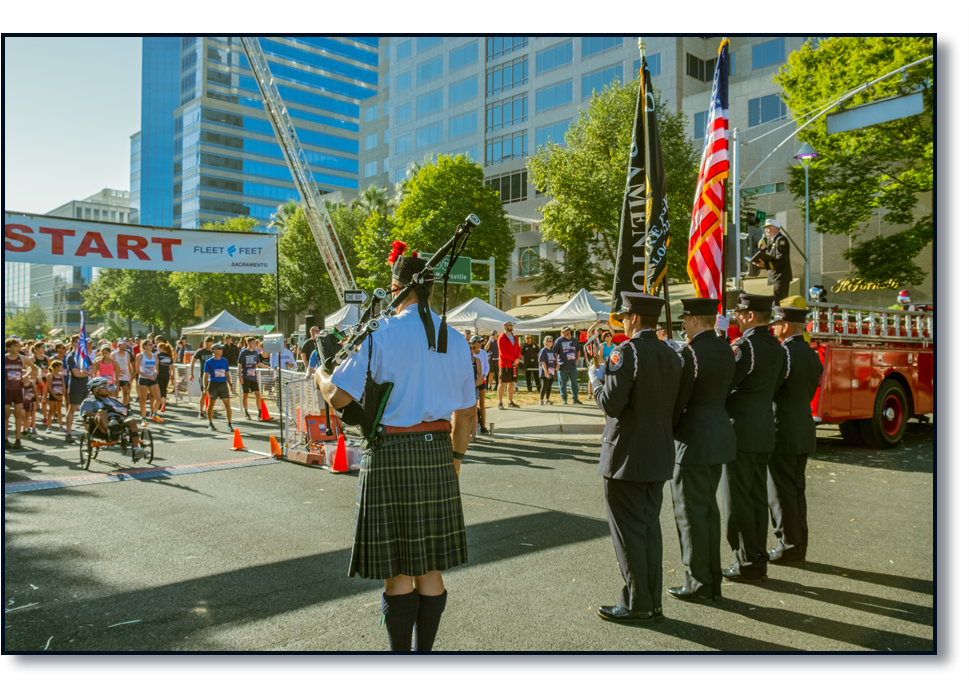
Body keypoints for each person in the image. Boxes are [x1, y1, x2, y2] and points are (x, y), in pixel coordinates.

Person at [315, 250, 477, 652]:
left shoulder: (380, 332)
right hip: (438, 456)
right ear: (431, 289)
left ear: (395, 288)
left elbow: (338, 396)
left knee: (399, 570)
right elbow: (467, 414)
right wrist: (455, 460)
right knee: (430, 566)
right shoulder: (457, 340)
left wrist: (319, 373)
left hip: (390, 451)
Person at [590, 293, 681, 625]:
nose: (624, 322)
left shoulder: (625, 352)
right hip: (658, 451)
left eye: (625, 317)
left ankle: (637, 603)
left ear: (636, 318)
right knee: (648, 529)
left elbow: (611, 404)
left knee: (628, 533)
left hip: (626, 455)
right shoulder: (671, 353)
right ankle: (651, 601)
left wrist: (596, 378)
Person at [666, 298, 737, 603]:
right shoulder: (726, 348)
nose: (683, 325)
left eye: (685, 319)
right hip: (718, 435)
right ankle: (711, 578)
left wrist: (667, 429)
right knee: (708, 511)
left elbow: (677, 399)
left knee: (690, 513)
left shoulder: (690, 353)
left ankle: (698, 581)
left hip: (693, 439)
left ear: (694, 319)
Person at [721, 292, 787, 583]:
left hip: (741, 430)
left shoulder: (744, 346)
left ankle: (746, 560)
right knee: (758, 496)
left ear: (749, 316)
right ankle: (757, 557)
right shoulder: (777, 346)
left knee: (738, 499)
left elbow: (725, 383)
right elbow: (778, 383)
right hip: (764, 428)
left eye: (739, 312)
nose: (736, 317)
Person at [767, 306, 823, 565]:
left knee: (781, 491)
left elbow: (773, 387)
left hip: (783, 428)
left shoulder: (784, 353)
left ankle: (788, 545)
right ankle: (799, 544)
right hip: (803, 426)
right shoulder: (811, 353)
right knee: (797, 489)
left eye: (776, 323)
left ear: (786, 326)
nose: (773, 328)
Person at [79, 376, 145, 461]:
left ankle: (135, 449)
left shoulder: (114, 400)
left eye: (107, 386)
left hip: (118, 422)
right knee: (101, 412)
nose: (107, 388)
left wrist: (125, 411)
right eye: (103, 386)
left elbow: (124, 411)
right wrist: (104, 414)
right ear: (95, 390)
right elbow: (87, 413)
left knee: (132, 420)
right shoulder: (89, 401)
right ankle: (111, 432)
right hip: (100, 427)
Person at [5, 338, 36, 451]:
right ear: (8, 348)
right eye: (15, 346)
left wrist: (25, 376)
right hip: (6, 390)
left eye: (19, 346)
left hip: (18, 390)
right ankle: (5, 439)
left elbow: (34, 368)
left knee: (18, 415)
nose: (18, 348)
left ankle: (18, 439)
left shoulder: (22, 358)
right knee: (6, 416)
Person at [752, 219, 792, 306]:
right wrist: (764, 249)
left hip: (780, 277)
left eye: (768, 227)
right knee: (777, 304)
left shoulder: (781, 240)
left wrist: (765, 265)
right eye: (765, 228)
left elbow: (781, 259)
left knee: (779, 305)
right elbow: (770, 256)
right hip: (776, 278)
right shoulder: (774, 241)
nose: (766, 230)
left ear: (776, 229)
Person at [64, 338, 92, 444]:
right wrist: (86, 372)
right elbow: (76, 374)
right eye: (77, 342)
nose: (80, 344)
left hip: (85, 386)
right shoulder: (71, 356)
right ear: (73, 343)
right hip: (75, 387)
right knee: (72, 409)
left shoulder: (84, 355)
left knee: (86, 410)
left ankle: (88, 434)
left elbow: (93, 369)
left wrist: (84, 372)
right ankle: (68, 433)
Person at [202, 343, 234, 432]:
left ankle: (229, 424)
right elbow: (205, 375)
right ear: (214, 351)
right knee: (211, 404)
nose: (221, 350)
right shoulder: (208, 362)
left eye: (221, 349)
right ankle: (210, 423)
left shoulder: (225, 361)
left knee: (227, 403)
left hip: (223, 384)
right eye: (219, 349)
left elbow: (227, 374)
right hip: (213, 384)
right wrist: (205, 386)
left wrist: (230, 384)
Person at [239, 337, 270, 420]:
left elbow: (258, 363)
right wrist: (240, 376)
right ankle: (246, 412)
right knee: (245, 394)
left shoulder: (255, 352)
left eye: (255, 343)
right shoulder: (243, 352)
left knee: (257, 394)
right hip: (245, 377)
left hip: (253, 377)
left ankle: (259, 413)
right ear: (248, 343)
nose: (254, 344)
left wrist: (267, 367)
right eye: (252, 343)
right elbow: (240, 364)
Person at [135, 339, 163, 426]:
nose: (152, 346)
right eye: (150, 345)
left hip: (153, 379)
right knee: (143, 400)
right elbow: (137, 371)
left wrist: (155, 374)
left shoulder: (155, 356)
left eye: (152, 345)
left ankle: (154, 414)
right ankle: (143, 419)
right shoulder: (140, 356)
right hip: (143, 379)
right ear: (144, 346)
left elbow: (156, 369)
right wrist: (148, 376)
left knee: (158, 398)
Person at [553, 326, 582, 405]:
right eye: (566, 331)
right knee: (563, 383)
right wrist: (556, 363)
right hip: (562, 366)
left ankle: (575, 399)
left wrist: (576, 361)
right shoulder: (559, 341)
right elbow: (555, 353)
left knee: (574, 383)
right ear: (562, 332)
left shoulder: (574, 340)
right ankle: (564, 399)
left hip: (572, 366)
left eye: (569, 330)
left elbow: (578, 351)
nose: (568, 331)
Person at [496, 321, 522, 410]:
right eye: (509, 325)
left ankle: (510, 402)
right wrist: (514, 359)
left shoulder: (515, 338)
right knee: (502, 383)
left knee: (511, 383)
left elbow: (518, 349)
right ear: (505, 327)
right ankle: (500, 402)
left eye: (512, 325)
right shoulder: (501, 338)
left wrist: (517, 359)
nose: (511, 326)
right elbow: (503, 352)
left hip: (514, 365)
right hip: (505, 365)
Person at [190, 337, 216, 420]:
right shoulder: (200, 352)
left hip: (212, 376)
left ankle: (210, 410)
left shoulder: (214, 351)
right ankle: (201, 411)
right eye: (207, 344)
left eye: (210, 345)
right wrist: (191, 374)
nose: (209, 346)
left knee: (212, 394)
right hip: (203, 376)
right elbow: (192, 361)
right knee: (204, 393)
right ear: (204, 343)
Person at [470, 336, 489, 436]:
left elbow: (486, 366)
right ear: (473, 343)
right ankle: (473, 427)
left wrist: (483, 376)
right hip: (474, 380)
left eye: (481, 342)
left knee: (482, 404)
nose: (480, 343)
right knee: (474, 404)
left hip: (483, 380)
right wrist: (478, 379)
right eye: (478, 342)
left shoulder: (484, 353)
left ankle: (483, 426)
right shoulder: (470, 354)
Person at [155, 340, 176, 412]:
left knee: (159, 389)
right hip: (166, 374)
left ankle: (161, 404)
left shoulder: (158, 356)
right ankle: (163, 404)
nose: (156, 348)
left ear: (161, 348)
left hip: (159, 374)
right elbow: (172, 366)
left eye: (158, 347)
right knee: (164, 389)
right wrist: (172, 374)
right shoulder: (169, 356)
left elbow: (156, 365)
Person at [46, 360, 67, 434]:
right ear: (56, 367)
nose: (62, 368)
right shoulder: (49, 376)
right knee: (51, 411)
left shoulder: (61, 376)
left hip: (59, 395)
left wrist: (62, 395)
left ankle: (60, 426)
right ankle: (49, 427)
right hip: (52, 395)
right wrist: (54, 395)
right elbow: (49, 386)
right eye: (61, 366)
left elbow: (63, 385)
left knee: (59, 411)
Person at [113, 341, 134, 408]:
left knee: (125, 393)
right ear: (118, 345)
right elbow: (111, 366)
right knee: (115, 394)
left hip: (125, 376)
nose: (124, 346)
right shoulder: (113, 354)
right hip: (116, 377)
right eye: (122, 345)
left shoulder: (127, 354)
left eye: (125, 345)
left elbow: (128, 365)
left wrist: (130, 375)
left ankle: (124, 408)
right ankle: (115, 408)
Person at [538, 336, 557, 406]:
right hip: (545, 370)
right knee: (545, 384)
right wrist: (546, 371)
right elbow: (542, 362)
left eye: (552, 341)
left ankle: (547, 399)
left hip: (552, 370)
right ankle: (541, 400)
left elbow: (555, 360)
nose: (551, 342)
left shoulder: (552, 351)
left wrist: (557, 366)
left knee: (549, 385)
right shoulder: (543, 350)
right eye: (549, 341)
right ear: (545, 342)